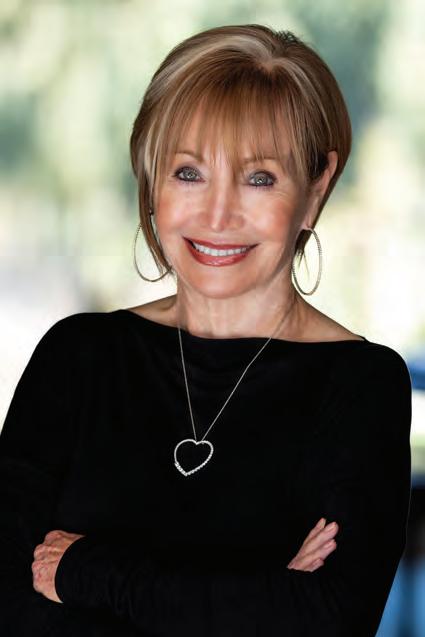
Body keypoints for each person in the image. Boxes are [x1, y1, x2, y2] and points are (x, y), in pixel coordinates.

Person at [0, 23, 411, 637]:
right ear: (151, 177)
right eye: (189, 173)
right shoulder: (77, 357)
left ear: (316, 186)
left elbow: (328, 619)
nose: (218, 216)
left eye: (259, 178)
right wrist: (255, 597)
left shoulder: (362, 385)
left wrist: (87, 570)